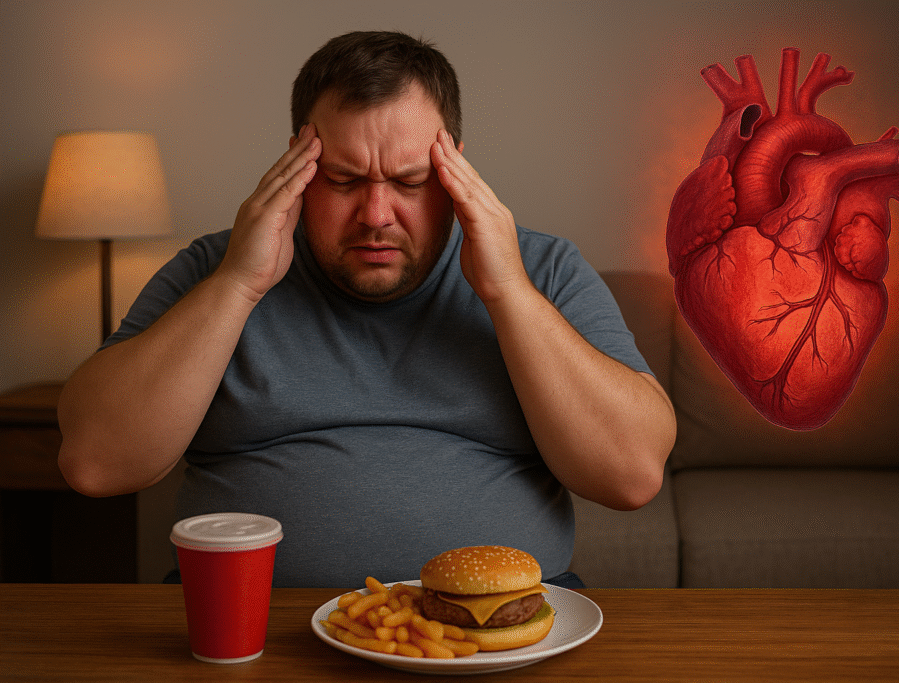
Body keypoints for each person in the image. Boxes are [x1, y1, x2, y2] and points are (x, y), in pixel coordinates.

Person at [57, 31, 676, 588]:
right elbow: (95, 462)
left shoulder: (540, 271)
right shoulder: (213, 269)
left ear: (454, 163)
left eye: (410, 182)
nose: (376, 216)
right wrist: (240, 283)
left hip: (493, 638)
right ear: (297, 162)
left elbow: (631, 477)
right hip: (253, 632)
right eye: (344, 180)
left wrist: (506, 292)